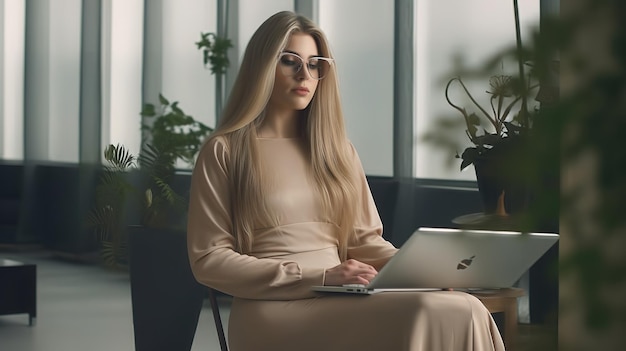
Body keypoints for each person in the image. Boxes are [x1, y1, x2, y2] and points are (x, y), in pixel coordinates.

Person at [187, 10, 505, 351]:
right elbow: (210, 260)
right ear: (262, 67)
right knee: (429, 311)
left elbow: (364, 242)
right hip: (272, 311)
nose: (304, 74)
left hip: (342, 294)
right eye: (289, 61)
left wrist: (425, 274)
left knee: (467, 307)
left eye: (314, 64)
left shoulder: (337, 151)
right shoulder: (224, 151)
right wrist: (320, 277)